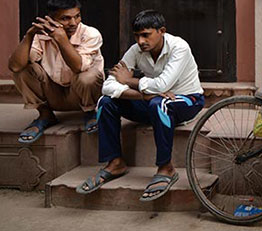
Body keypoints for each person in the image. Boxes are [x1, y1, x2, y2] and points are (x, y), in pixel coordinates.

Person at [77, 10, 204, 201]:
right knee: (106, 102)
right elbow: (108, 85)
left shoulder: (179, 47)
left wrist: (130, 80)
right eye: (137, 36)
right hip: (151, 102)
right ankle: (115, 162)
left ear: (161, 31)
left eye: (146, 35)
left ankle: (166, 167)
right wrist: (142, 95)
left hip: (187, 101)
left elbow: (162, 85)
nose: (140, 41)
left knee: (160, 103)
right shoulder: (136, 50)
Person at [8, 0, 104, 143]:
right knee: (23, 69)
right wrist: (29, 35)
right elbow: (15, 66)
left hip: (80, 95)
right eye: (65, 18)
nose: (73, 23)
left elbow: (78, 67)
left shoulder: (90, 34)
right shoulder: (41, 35)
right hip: (53, 94)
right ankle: (45, 115)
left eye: (77, 16)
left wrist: (61, 39)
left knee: (88, 76)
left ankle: (90, 113)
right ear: (51, 20)